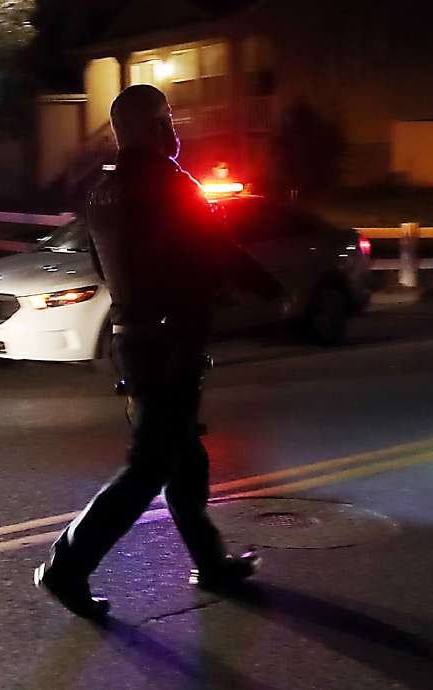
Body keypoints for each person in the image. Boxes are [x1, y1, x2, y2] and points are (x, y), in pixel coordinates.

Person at [34, 84, 285, 619]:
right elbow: (218, 252)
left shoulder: (102, 193)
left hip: (134, 339)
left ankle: (211, 562)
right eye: (167, 120)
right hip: (171, 343)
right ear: (150, 128)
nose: (175, 130)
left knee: (184, 458)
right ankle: (67, 565)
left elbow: (105, 270)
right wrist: (274, 291)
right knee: (150, 467)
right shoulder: (172, 187)